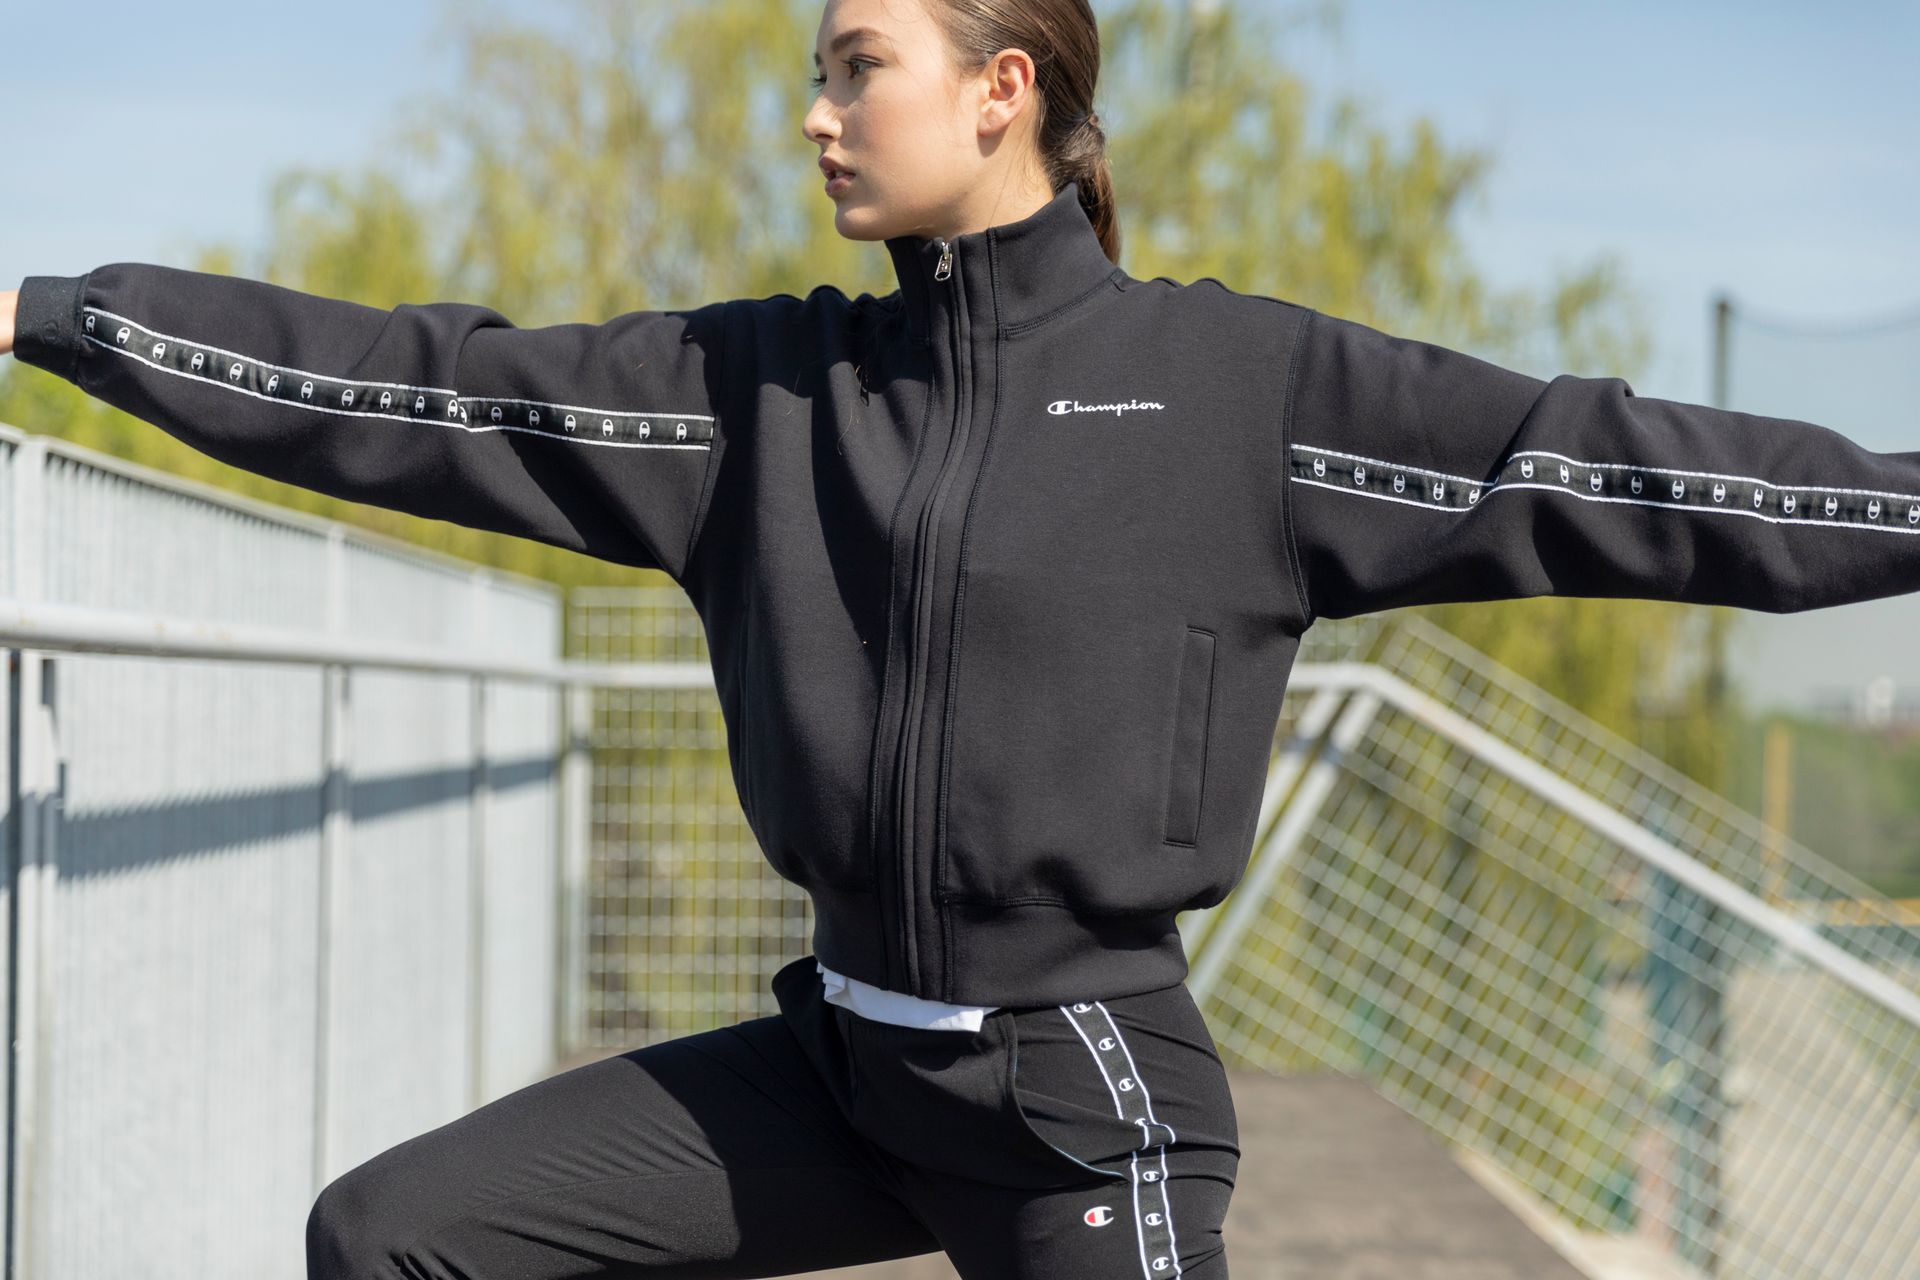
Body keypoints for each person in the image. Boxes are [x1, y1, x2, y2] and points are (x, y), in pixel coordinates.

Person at [6, 0, 1919, 1275]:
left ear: (1003, 87)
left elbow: (1632, 476)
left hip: (1083, 1109)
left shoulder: (1236, 391)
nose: (816, 115)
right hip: (839, 1075)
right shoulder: (760, 393)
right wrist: (52, 316)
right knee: (394, 1235)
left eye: (858, 67)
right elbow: (416, 392)